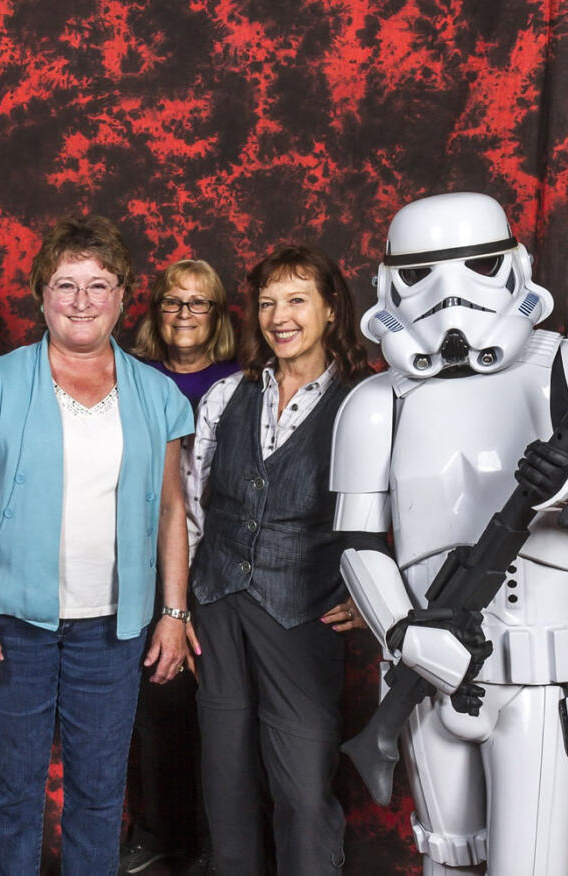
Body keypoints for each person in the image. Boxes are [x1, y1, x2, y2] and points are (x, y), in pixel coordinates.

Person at [332, 192, 568, 875]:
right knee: (445, 860)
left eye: (478, 266)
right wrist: (405, 633)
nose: (451, 297)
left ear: (513, 266)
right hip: (427, 671)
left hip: (539, 676)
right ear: (388, 284)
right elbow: (358, 543)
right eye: (423, 273)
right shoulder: (374, 403)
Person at [0, 215, 195, 875]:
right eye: (66, 285)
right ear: (42, 294)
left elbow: (173, 509)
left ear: (121, 296)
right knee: (13, 786)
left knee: (99, 788)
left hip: (114, 628)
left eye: (98, 285)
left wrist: (174, 613)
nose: (81, 301)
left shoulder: (157, 394)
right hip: (14, 625)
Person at [186, 244, 369, 875]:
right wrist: (178, 601)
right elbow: (188, 506)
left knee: (300, 781)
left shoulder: (365, 404)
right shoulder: (225, 395)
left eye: (296, 299)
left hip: (303, 610)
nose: (279, 315)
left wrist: (376, 591)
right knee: (225, 774)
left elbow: (404, 508)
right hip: (215, 603)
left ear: (330, 307)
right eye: (267, 302)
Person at [121, 258, 238, 874]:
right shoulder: (129, 376)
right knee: (158, 701)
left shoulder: (243, 383)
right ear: (155, 311)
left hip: (222, 568)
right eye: (172, 302)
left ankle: (219, 840)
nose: (185, 315)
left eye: (200, 304)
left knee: (221, 709)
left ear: (217, 316)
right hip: (145, 562)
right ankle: (159, 831)